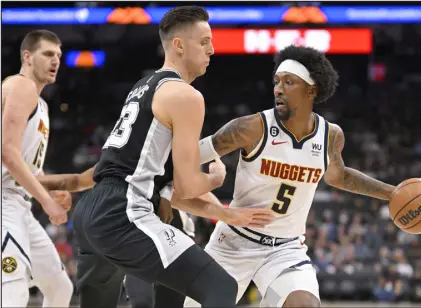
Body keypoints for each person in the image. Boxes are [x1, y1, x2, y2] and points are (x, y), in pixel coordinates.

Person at [65, 6, 274, 308]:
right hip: (123, 210)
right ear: (179, 45)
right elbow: (187, 187)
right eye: (204, 42)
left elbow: (168, 189)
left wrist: (226, 214)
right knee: (221, 288)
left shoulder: (143, 87)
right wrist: (215, 177)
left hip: (91, 210)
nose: (212, 50)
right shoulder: (186, 96)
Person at [186, 45, 402, 307]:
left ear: (311, 90)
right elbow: (186, 157)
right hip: (233, 245)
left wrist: (391, 193)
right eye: (276, 82)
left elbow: (338, 176)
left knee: (302, 305)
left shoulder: (330, 135)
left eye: (289, 82)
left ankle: (273, 297)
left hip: (284, 252)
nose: (278, 89)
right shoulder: (249, 128)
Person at [38, 157, 273, 308]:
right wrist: (32, 184)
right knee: (142, 301)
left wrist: (225, 211)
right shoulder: (125, 157)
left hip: (173, 235)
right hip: (137, 233)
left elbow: (194, 194)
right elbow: (78, 180)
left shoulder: (173, 150)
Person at [1, 30, 73, 307]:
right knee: (13, 290)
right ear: (27, 57)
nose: (55, 60)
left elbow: (30, 167)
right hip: (3, 203)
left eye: (58, 55)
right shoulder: (21, 86)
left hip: (19, 205)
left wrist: (53, 192)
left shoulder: (41, 104)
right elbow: (7, 153)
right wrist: (47, 203)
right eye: (47, 54)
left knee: (60, 288)